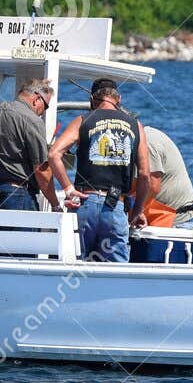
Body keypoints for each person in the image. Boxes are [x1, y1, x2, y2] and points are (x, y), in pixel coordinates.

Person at [48, 78, 151, 262]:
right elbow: (144, 175)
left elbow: (54, 153)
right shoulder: (136, 126)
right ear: (118, 99)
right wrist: (138, 210)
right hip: (116, 207)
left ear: (92, 100)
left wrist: (68, 189)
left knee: (76, 265)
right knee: (116, 274)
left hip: (85, 204)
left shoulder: (83, 120)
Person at [0, 78, 59, 211]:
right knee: (26, 233)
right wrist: (55, 204)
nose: (43, 111)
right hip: (16, 195)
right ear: (36, 99)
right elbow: (41, 170)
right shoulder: (32, 120)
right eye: (45, 106)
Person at [140, 124, 193, 229]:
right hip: (161, 219)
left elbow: (153, 186)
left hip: (178, 222)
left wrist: (136, 212)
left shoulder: (147, 142)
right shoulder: (145, 136)